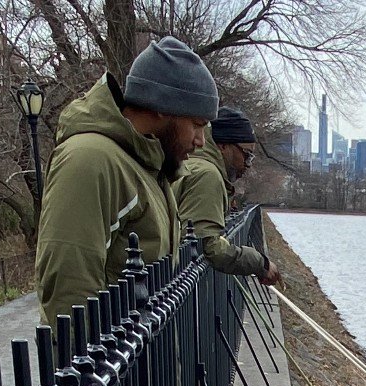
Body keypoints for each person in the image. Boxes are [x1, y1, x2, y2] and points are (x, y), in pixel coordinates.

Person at [36, 36, 219, 327]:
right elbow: (69, 284)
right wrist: (97, 369)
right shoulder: (91, 158)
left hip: (141, 363)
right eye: (196, 125)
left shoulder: (148, 167)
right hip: (114, 368)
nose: (200, 140)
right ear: (162, 106)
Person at [174, 105, 281, 285]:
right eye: (247, 155)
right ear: (223, 146)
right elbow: (208, 247)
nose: (248, 165)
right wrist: (259, 262)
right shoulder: (208, 176)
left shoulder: (191, 164)